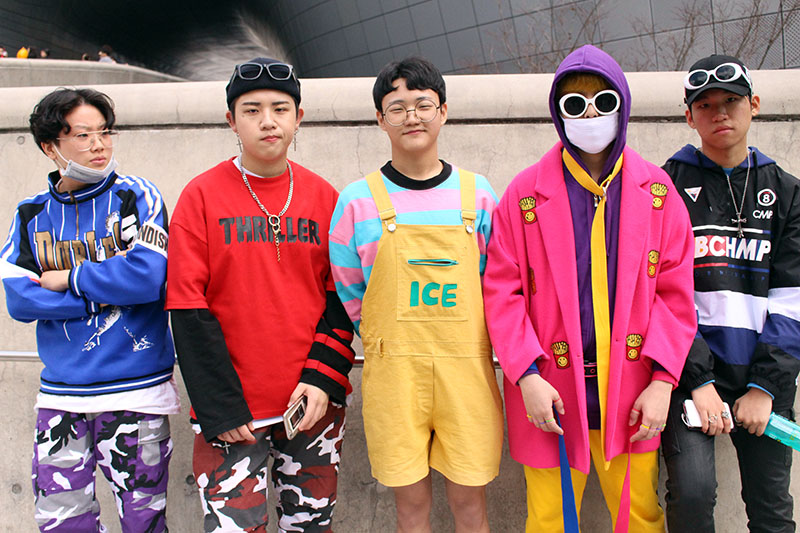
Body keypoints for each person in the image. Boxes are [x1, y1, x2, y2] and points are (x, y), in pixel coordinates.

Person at [482, 44, 697, 532]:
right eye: (575, 105)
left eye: (603, 102)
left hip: (634, 391)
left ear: (623, 105)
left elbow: (676, 295)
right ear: (558, 114)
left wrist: (663, 382)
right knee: (549, 520)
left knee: (639, 517)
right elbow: (501, 293)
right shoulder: (523, 194)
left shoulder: (658, 192)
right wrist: (526, 375)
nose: (590, 115)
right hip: (549, 391)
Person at [166, 57, 355, 532]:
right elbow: (186, 307)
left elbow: (342, 301)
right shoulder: (200, 196)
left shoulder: (325, 197)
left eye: (280, 109)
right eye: (251, 110)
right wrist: (220, 406)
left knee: (312, 527)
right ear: (232, 121)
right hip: (232, 414)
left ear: (298, 117)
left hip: (310, 408)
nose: (268, 121)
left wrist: (322, 380)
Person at [329, 56, 504, 532]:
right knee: (409, 508)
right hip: (395, 378)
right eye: (397, 107)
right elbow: (351, 292)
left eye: (423, 104)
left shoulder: (478, 195)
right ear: (380, 119)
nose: (412, 116)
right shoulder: (357, 201)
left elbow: (497, 282)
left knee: (471, 506)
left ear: (442, 111)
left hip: (467, 373)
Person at [0, 88, 177, 532]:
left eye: (105, 132)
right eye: (82, 136)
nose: (99, 145)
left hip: (136, 394)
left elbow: (148, 278)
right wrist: (105, 289)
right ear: (50, 147)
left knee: (144, 524)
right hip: (60, 398)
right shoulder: (29, 214)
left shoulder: (137, 196)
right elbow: (20, 298)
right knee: (61, 524)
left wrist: (70, 277)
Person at [661, 53, 800, 533]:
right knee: (693, 496)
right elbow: (658, 294)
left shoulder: (787, 192)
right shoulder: (664, 187)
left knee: (772, 510)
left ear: (754, 105)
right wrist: (698, 380)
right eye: (705, 105)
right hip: (690, 377)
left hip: (763, 379)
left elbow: (793, 299)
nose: (719, 113)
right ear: (689, 116)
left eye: (731, 101)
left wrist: (765, 388)